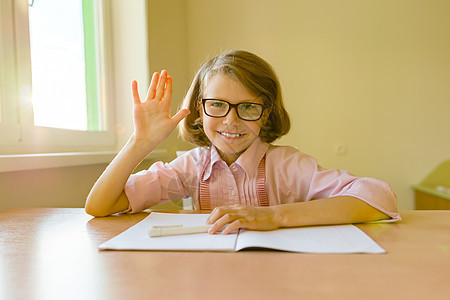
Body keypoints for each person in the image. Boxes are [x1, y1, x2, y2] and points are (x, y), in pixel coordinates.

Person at [85, 50, 401, 234]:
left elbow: (378, 196)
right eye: (217, 104)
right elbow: (100, 206)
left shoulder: (287, 165)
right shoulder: (191, 168)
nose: (231, 121)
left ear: (266, 114)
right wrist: (140, 143)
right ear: (200, 109)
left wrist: (274, 216)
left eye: (248, 107)